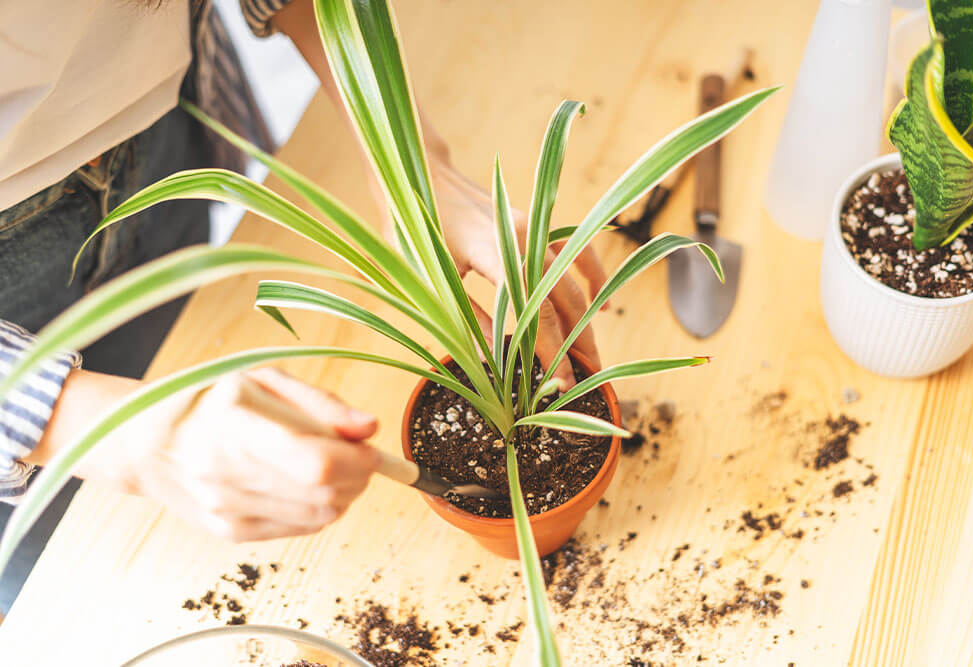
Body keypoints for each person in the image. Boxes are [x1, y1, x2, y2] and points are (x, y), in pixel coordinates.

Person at [0, 0, 607, 614]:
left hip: (162, 131)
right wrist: (121, 438)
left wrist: (404, 157)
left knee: (178, 335)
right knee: (66, 580)